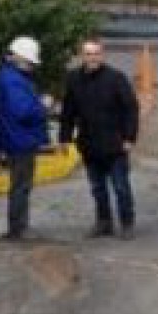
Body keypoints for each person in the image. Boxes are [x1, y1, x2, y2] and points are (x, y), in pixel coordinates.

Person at [60, 38, 141, 239]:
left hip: (115, 144)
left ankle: (127, 223)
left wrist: (129, 138)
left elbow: (131, 109)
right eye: (88, 54)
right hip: (89, 144)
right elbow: (68, 111)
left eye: (96, 53)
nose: (92, 58)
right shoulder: (74, 79)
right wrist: (65, 137)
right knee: (97, 188)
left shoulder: (116, 78)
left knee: (121, 187)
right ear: (82, 56)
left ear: (102, 55)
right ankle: (103, 222)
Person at [0, 36, 49, 242]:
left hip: (14, 139)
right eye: (30, 61)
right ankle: (19, 228)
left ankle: (18, 227)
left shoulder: (7, 77)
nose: (32, 65)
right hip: (20, 140)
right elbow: (23, 111)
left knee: (20, 185)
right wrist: (43, 106)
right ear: (20, 57)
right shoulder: (12, 80)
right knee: (21, 186)